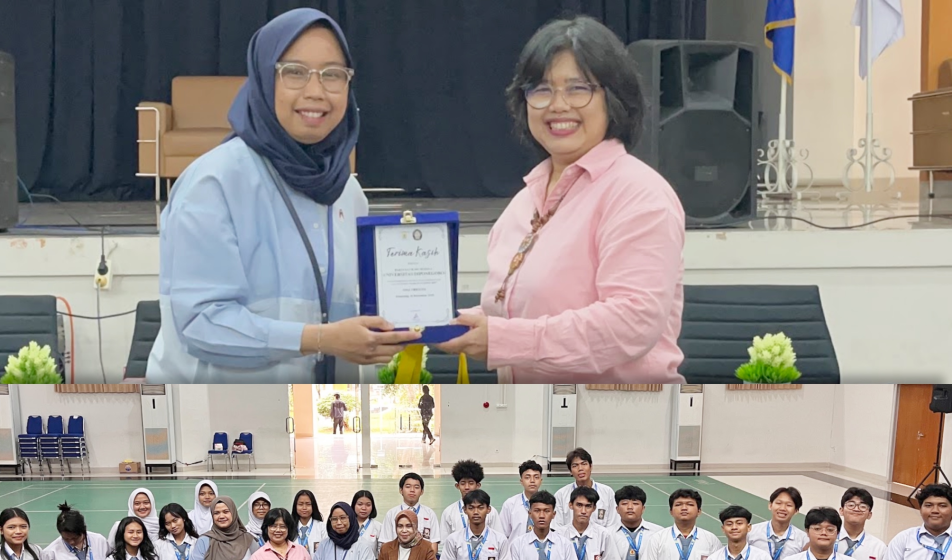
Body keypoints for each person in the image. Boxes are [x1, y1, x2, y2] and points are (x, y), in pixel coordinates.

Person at [146, 8, 420, 383]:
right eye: (294, 72)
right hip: (219, 419)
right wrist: (322, 340)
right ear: (262, 79)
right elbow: (201, 325)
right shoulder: (214, 183)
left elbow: (347, 309)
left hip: (323, 416)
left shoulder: (347, 192)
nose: (315, 91)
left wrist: (411, 318)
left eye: (332, 75)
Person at [437, 15, 684, 383]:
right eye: (541, 89)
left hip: (623, 421)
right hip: (528, 417)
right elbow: (515, 314)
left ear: (613, 98)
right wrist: (441, 324)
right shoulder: (524, 201)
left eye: (578, 88)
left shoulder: (638, 193)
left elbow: (632, 322)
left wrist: (504, 339)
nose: (558, 105)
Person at [553, 448, 617, 531]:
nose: (580, 469)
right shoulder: (561, 495)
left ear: (591, 466)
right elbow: (558, 527)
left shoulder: (607, 492)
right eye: (575, 466)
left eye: (584, 464)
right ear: (570, 471)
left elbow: (612, 525)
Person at [439, 459, 498, 544]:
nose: (467, 487)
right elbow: (444, 542)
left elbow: (498, 537)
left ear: (478, 485)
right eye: (463, 483)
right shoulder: (449, 512)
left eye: (471, 483)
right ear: (457, 486)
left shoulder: (491, 512)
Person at [380, 473, 441, 553]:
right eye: (408, 486)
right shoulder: (391, 514)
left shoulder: (429, 514)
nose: (412, 490)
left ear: (422, 491)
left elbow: (434, 544)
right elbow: (385, 544)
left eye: (416, 487)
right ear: (401, 490)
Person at [499, 459, 544, 543]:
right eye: (527, 477)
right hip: (515, 554)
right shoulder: (510, 504)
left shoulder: (548, 504)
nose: (532, 481)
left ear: (541, 481)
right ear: (521, 481)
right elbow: (502, 534)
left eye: (536, 477)